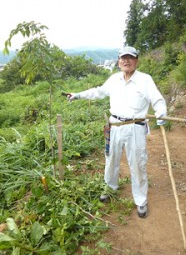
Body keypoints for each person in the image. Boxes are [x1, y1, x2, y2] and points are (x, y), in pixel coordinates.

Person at [67, 46, 167, 218]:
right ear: (119, 61)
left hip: (135, 127)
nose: (127, 61)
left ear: (136, 61)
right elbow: (98, 91)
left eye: (131, 58)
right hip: (114, 126)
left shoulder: (145, 80)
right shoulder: (114, 79)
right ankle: (110, 188)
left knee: (137, 164)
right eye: (123, 58)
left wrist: (161, 112)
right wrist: (78, 95)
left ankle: (141, 200)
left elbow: (157, 99)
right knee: (111, 160)